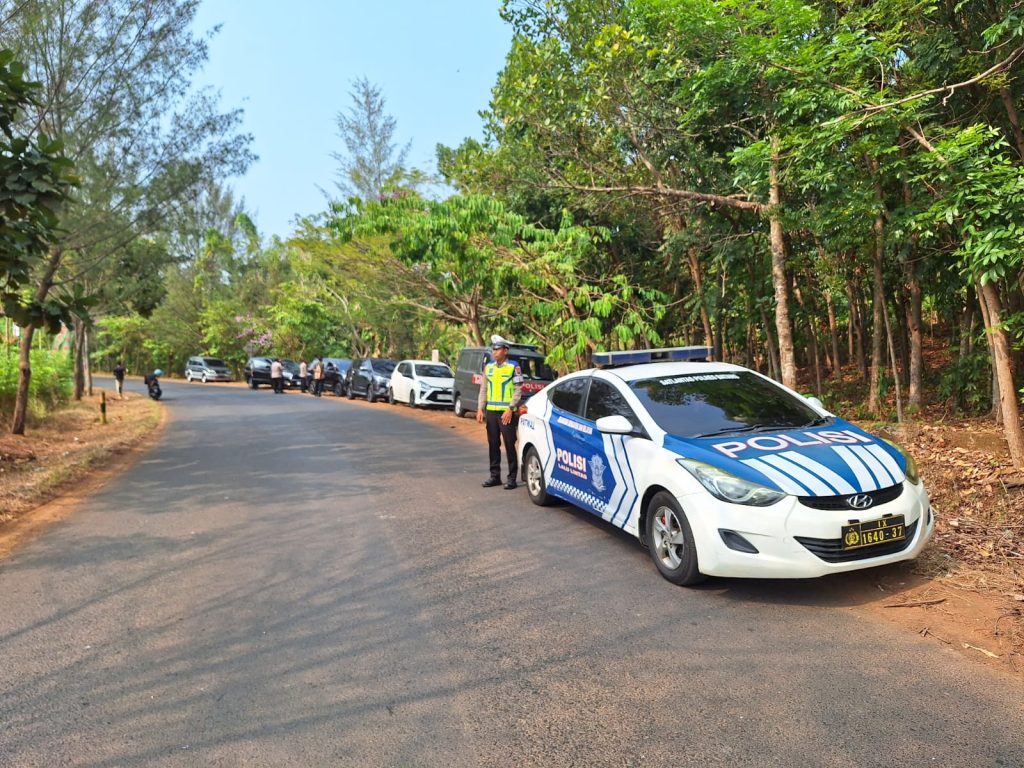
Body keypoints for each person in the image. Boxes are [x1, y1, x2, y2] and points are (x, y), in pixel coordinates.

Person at [476, 335, 523, 489]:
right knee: (493, 444)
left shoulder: (513, 367)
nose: (494, 352)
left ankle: (512, 478)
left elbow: (518, 390)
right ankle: (494, 476)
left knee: (509, 444)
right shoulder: (488, 367)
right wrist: (480, 408)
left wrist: (510, 408)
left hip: (506, 413)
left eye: (497, 349)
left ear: (505, 351)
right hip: (491, 412)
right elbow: (483, 389)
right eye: (493, 349)